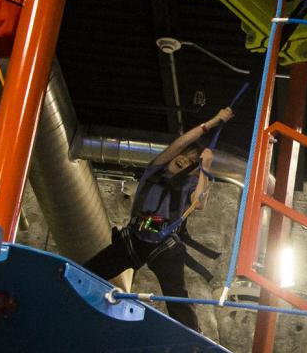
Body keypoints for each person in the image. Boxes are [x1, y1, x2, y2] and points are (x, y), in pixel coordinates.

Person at [83, 107, 233, 332]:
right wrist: (212, 122)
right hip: (134, 238)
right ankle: (75, 296)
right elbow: (181, 143)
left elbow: (199, 203)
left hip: (163, 245)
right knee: (92, 270)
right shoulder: (155, 169)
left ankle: (190, 334)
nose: (184, 159)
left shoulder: (189, 186)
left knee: (176, 295)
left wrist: (205, 167)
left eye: (191, 161)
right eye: (185, 156)